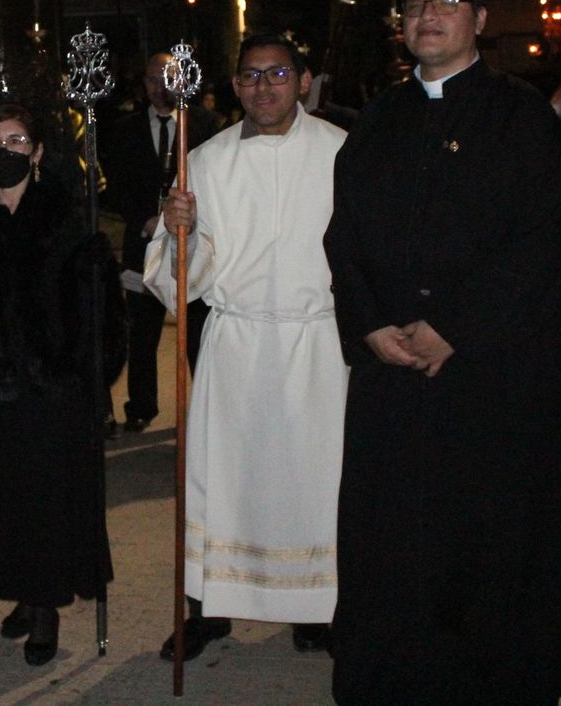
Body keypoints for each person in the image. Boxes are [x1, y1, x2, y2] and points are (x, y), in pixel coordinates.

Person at [324, 0, 561, 706]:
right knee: (396, 541)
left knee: (492, 542)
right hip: (394, 372)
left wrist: (455, 327)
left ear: (480, 20)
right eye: (416, 1)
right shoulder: (378, 120)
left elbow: (549, 235)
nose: (428, 14)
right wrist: (370, 325)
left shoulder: (520, 117)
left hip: (494, 375)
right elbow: (343, 238)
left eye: (447, 0)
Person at [145, 33, 349, 659]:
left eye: (278, 73)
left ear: (305, 80)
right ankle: (208, 610)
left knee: (318, 483)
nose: (264, 87)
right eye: (251, 76)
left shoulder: (344, 153)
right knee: (221, 482)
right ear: (234, 87)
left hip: (317, 344)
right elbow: (181, 278)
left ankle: (319, 609)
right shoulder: (202, 161)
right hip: (236, 346)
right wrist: (180, 235)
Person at [0, 103, 125, 665]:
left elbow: (100, 311)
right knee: (2, 500)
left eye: (15, 140)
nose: (3, 151)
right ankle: (20, 591)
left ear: (37, 152)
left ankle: (45, 606)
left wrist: (82, 368)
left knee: (46, 500)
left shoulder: (66, 217)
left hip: (52, 390)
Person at [101, 53, 218, 433]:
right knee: (142, 332)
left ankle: (205, 407)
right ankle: (141, 406)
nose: (158, 87)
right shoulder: (124, 129)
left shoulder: (202, 123)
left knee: (198, 330)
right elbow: (117, 186)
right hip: (144, 241)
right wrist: (145, 220)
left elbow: (214, 180)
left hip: (193, 242)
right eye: (151, 79)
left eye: (165, 78)